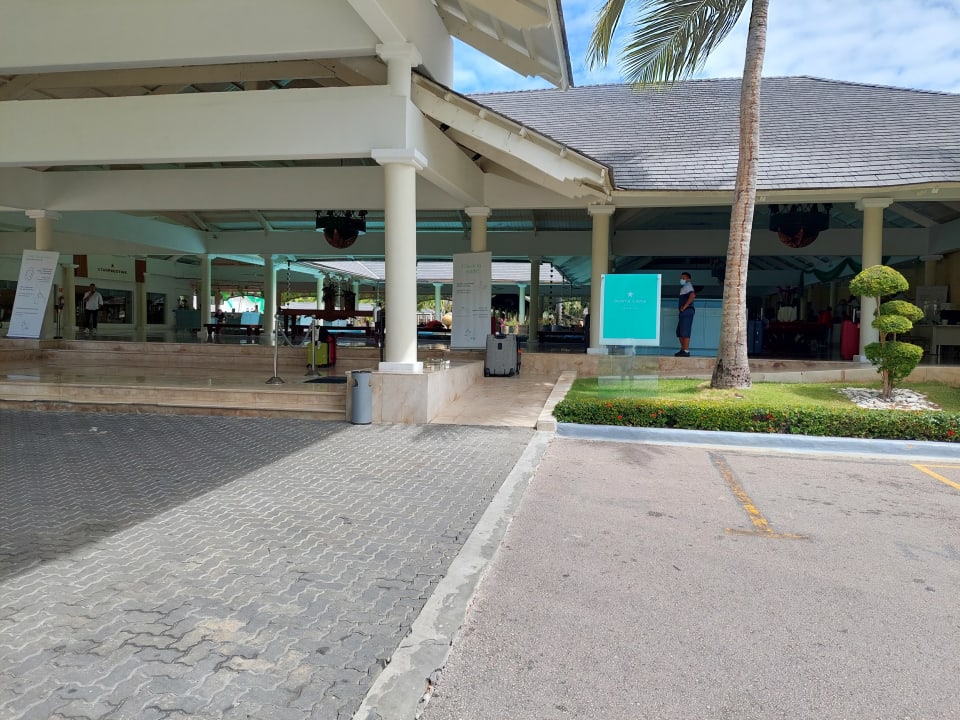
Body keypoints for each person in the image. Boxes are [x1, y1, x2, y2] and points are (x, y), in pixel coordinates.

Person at [675, 272, 696, 357]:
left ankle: (686, 351)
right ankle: (683, 349)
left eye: (684, 278)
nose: (682, 279)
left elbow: (692, 295)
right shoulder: (684, 287)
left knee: (685, 331)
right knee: (679, 331)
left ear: (688, 279)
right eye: (681, 278)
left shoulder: (688, 286)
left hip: (687, 311)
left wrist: (685, 307)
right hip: (683, 312)